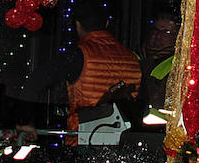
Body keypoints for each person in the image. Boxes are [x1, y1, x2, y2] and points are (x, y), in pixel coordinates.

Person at [9, 9, 140, 133]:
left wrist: (23, 121)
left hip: (86, 136)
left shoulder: (78, 55)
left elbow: (35, 81)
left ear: (77, 25)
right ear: (106, 23)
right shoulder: (132, 57)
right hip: (126, 138)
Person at [137, 9, 179, 117]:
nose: (158, 36)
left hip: (158, 127)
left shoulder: (178, 65)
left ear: (178, 37)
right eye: (155, 30)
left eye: (166, 32)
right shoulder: (133, 56)